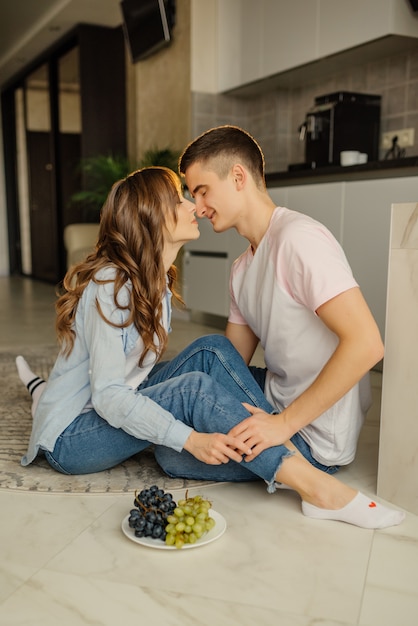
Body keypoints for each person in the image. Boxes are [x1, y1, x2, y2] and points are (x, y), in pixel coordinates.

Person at [16, 166, 404, 529]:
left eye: (197, 194)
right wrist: (192, 438)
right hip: (72, 438)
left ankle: (277, 442)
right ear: (151, 215)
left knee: (212, 350)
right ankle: (312, 482)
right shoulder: (109, 283)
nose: (194, 206)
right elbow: (108, 395)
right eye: (181, 199)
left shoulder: (158, 282)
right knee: (190, 393)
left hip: (109, 399)